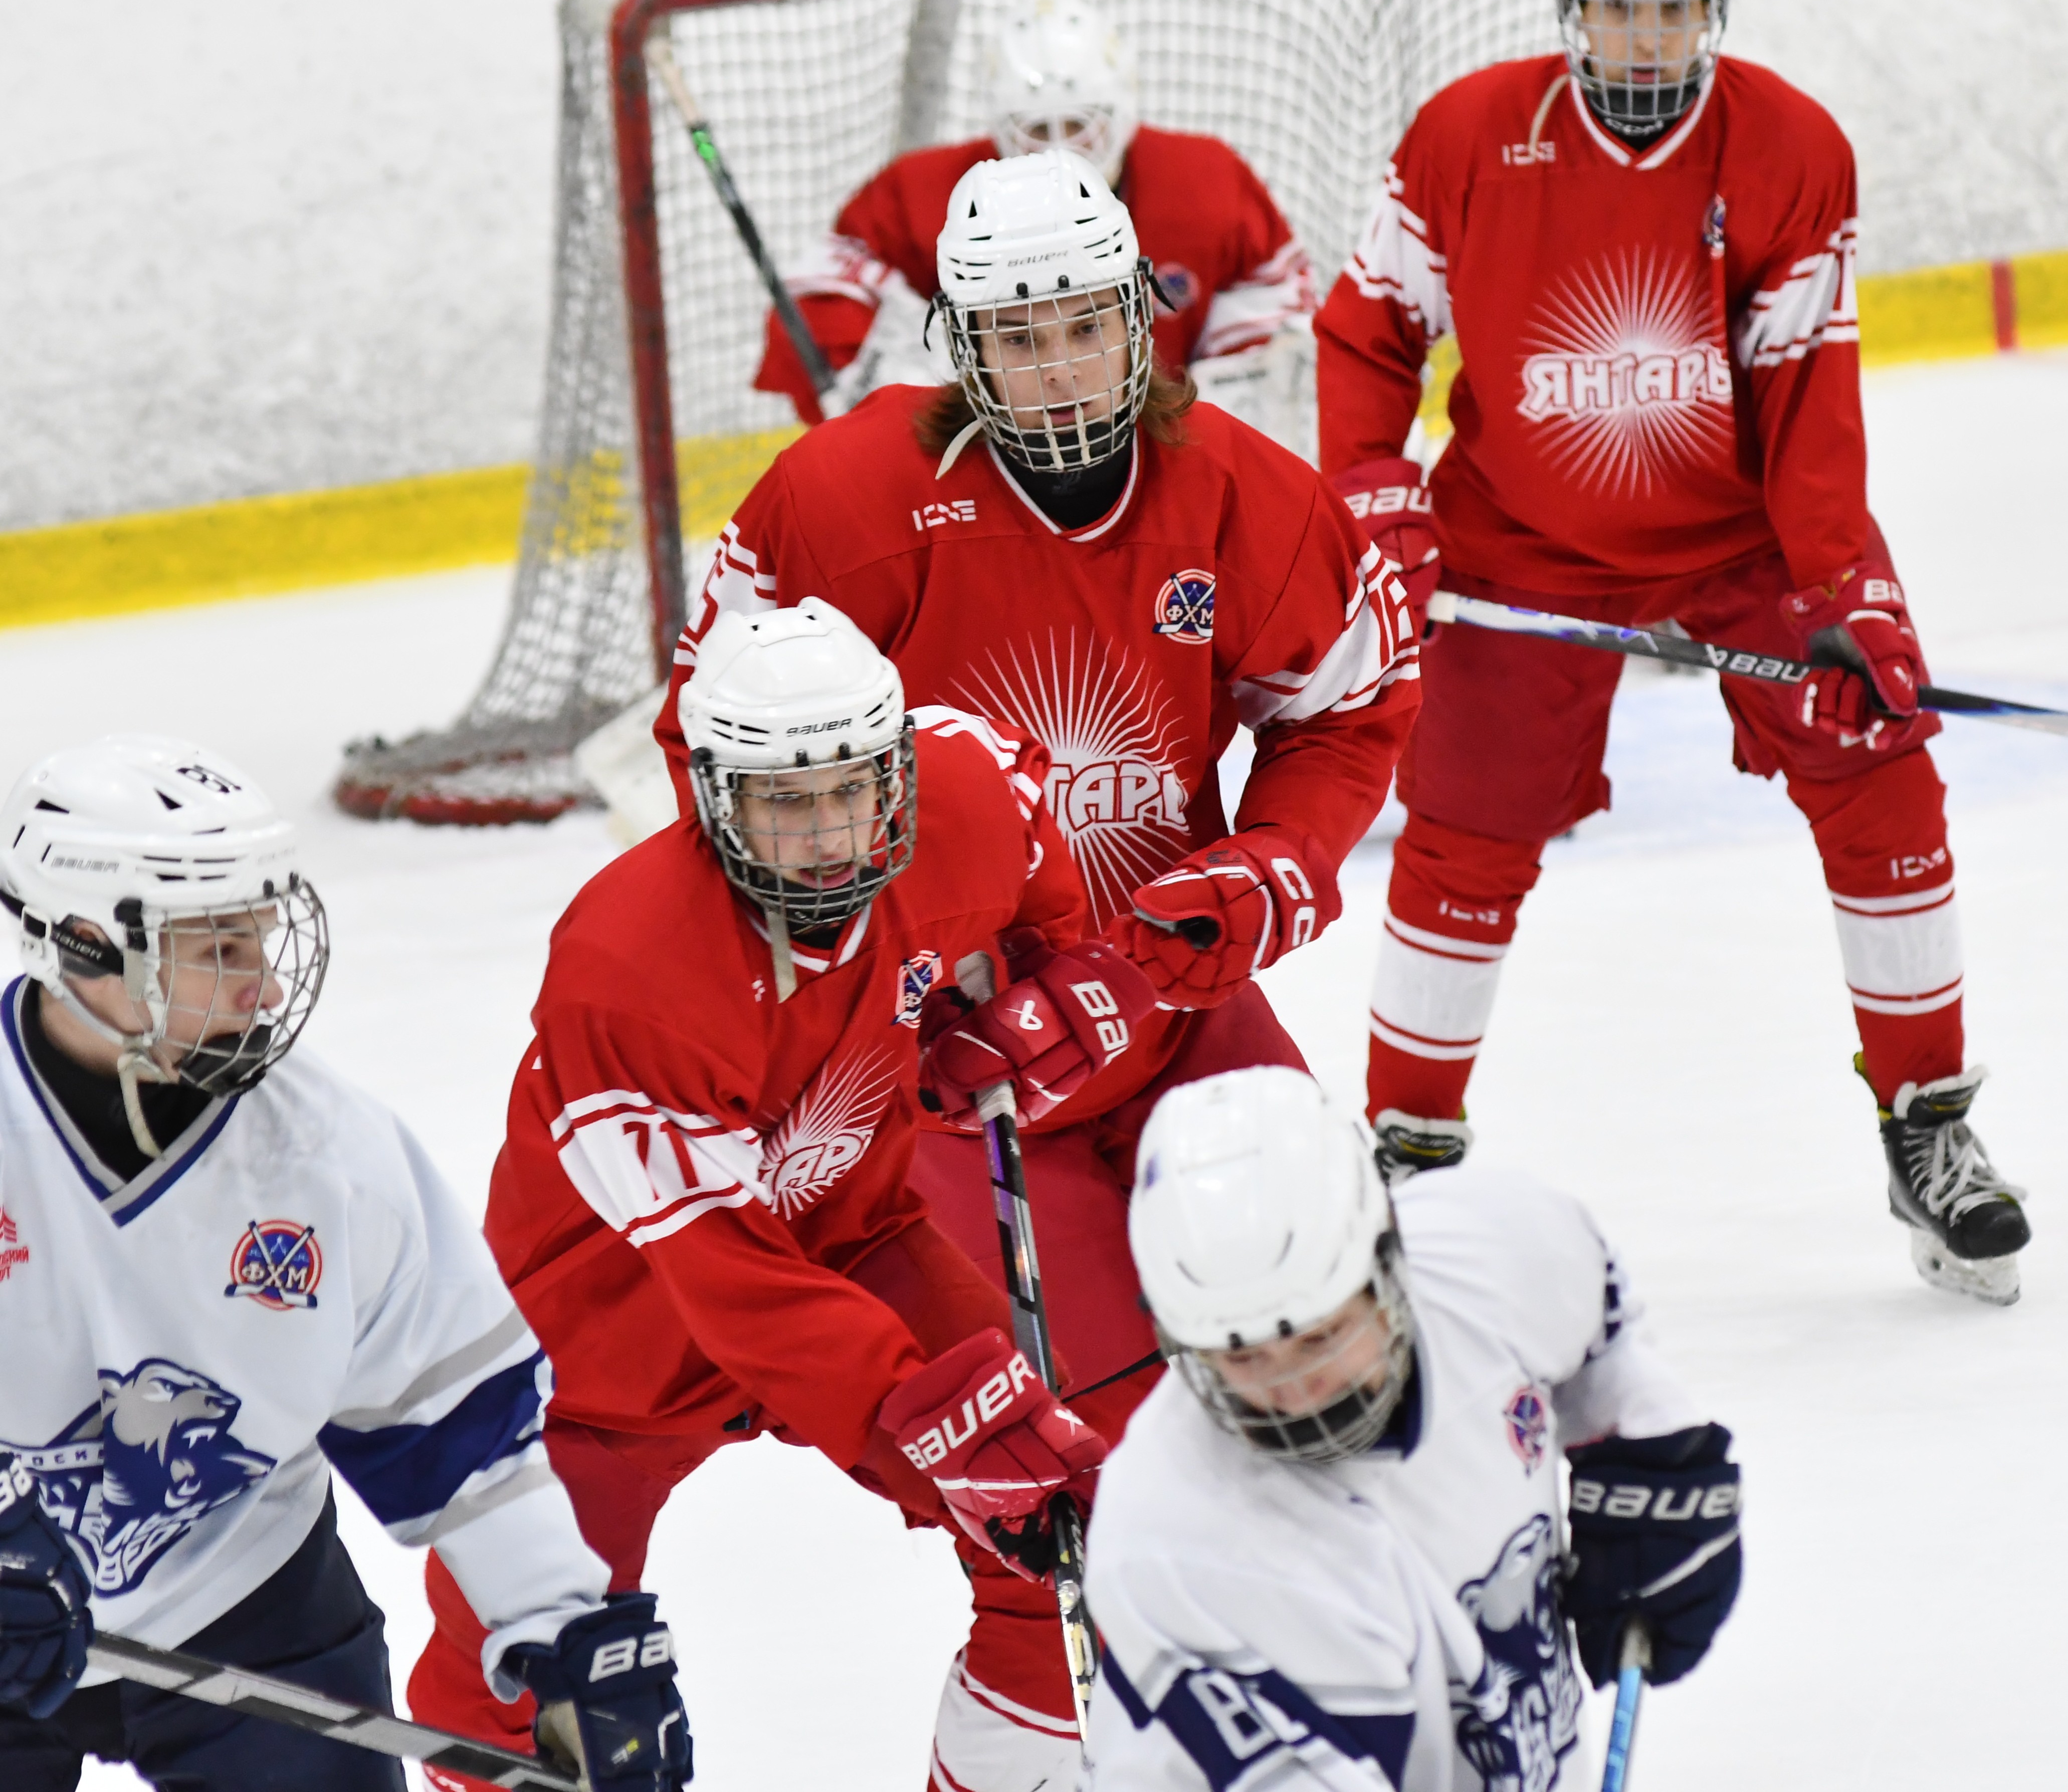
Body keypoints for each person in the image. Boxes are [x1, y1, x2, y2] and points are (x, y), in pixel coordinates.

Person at [653, 148, 1420, 1789]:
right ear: (959, 343)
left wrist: (1265, 874)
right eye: (1016, 336)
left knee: (1340, 1382)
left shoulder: (1242, 492)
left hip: (1175, 1007)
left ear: (1141, 322)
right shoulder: (842, 510)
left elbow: (1342, 709)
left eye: (1083, 326)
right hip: (949, 1070)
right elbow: (705, 754)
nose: (1056, 369)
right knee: (1062, 1515)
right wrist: (882, 972)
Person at [1315, 0, 2030, 1300]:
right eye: (1616, 6)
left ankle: (1923, 1125)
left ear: (1710, 7)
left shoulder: (1789, 147)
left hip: (1744, 532)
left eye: (1670, 7)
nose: (1644, 38)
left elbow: (1807, 396)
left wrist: (1847, 599)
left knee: (1879, 771)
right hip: (1514, 543)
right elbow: (1367, 326)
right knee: (1461, 834)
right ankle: (1406, 1152)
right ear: (1569, 8)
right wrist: (1365, 485)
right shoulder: (1464, 137)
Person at [407, 600, 1128, 1789]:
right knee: (528, 1697)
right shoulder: (628, 968)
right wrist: (919, 1402)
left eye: (853, 788)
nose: (831, 834)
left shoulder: (958, 800)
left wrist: (1030, 991)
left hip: (858, 1249)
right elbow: (728, 1278)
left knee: (1071, 1533)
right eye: (785, 803)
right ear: (713, 800)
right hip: (598, 1354)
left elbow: (1028, 836)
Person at [0, 735, 688, 1791]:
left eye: (258, 934)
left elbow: (454, 1427)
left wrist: (564, 1628)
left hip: (245, 1598)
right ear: (84, 943)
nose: (260, 980)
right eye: (213, 946)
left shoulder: (328, 1157)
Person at [1083, 1066, 1743, 1790]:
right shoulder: (1184, 1546)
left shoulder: (1491, 1252)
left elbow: (1596, 1317)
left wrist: (1641, 1442)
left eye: (1317, 1338)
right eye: (1241, 1356)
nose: (1294, 1391)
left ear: (1387, 1262)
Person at [753, 0, 1315, 425]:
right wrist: (898, 384)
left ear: (1120, 115)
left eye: (1078, 125)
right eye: (1036, 130)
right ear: (1000, 125)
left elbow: (1276, 305)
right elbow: (818, 302)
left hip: (1163, 450)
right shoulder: (922, 194)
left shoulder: (1204, 183)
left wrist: (1232, 395)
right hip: (994, 459)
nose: (1059, 149)